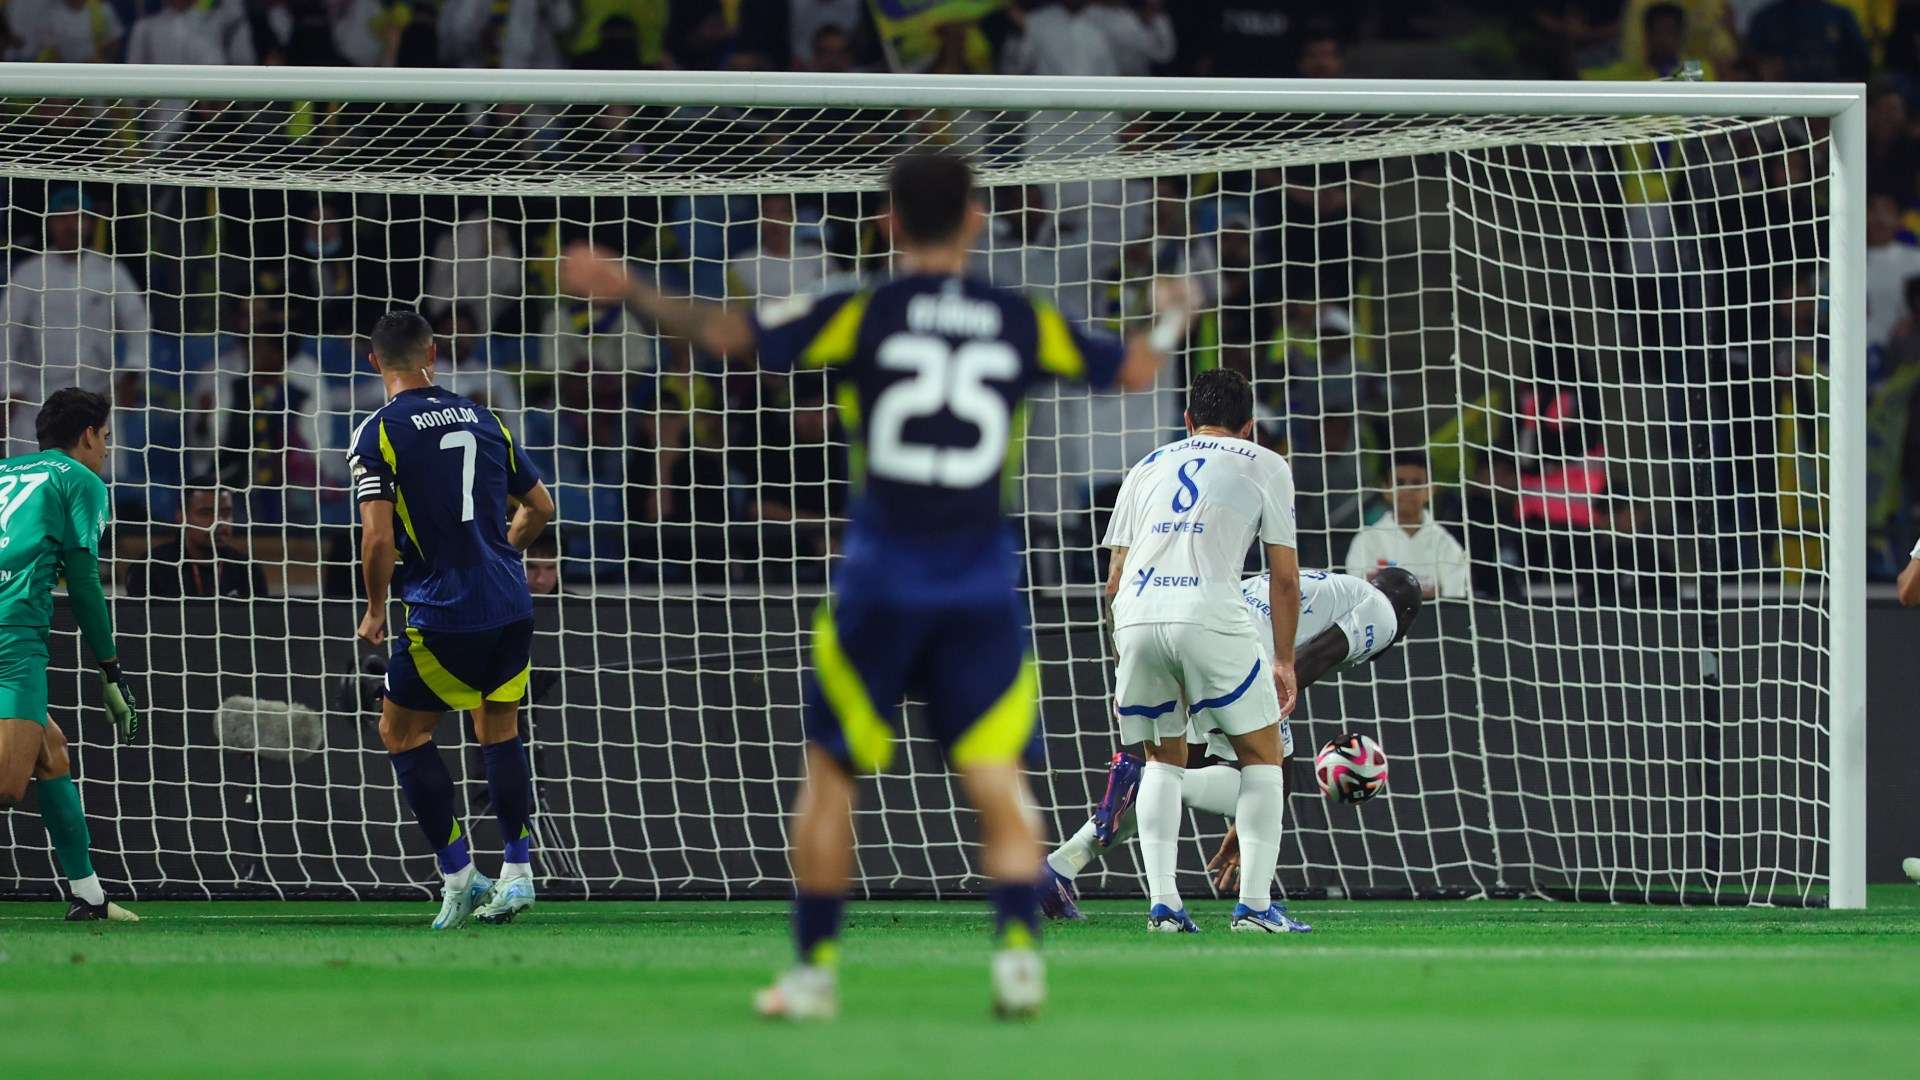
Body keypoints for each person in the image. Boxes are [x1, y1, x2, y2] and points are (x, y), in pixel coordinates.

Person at [558, 150, 1190, 1020]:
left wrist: (628, 283)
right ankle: (1016, 960)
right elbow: (1133, 373)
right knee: (997, 773)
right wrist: (1168, 321)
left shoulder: (861, 310)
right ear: (974, 219)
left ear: (886, 221)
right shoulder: (1019, 318)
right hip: (978, 583)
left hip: (878, 578)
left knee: (830, 776)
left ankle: (815, 976)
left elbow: (733, 339)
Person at [1040, 565, 1423, 918]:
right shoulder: (1383, 613)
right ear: (1406, 619)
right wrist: (1261, 803)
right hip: (1240, 650)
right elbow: (1308, 660)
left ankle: (1061, 866)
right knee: (1265, 780)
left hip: (1193, 626)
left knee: (1170, 772)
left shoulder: (1336, 586)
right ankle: (1256, 900)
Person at [349, 310, 556, 929]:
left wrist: (376, 607)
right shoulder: (485, 417)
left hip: (442, 609)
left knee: (402, 734)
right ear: (432, 354)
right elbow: (541, 507)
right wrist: (501, 552)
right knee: (499, 730)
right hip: (509, 604)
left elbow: (377, 540)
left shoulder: (377, 432)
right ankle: (518, 875)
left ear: (373, 362)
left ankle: (460, 875)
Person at [1101, 367, 1303, 934]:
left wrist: (1128, 642)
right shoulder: (1265, 462)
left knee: (1164, 760)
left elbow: (1114, 576)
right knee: (1264, 758)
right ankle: (1256, 909)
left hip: (1138, 615)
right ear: (1249, 427)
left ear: (1188, 421)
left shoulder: (1145, 467)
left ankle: (1164, 907)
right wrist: (1284, 659)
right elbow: (1283, 578)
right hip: (1209, 612)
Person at [0, 387, 141, 922]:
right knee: (8, 786)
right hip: (12, 638)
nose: (106, 449)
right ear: (87, 435)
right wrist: (111, 672)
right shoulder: (78, 480)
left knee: (51, 753)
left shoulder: (5, 471)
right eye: (105, 438)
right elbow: (83, 584)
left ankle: (89, 896)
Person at [0, 186, 150, 458]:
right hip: (37, 400)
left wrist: (133, 370)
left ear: (91, 222)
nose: (70, 225)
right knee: (36, 482)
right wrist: (9, 388)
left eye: (78, 217)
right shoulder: (29, 274)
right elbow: (5, 331)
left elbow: (138, 320)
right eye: (62, 218)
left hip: (96, 397)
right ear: (50, 223)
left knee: (99, 486)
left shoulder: (110, 272)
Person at [1343, 453, 1471, 600]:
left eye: (1416, 483)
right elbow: (1359, 597)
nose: (1408, 490)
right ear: (1385, 490)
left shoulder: (1447, 545)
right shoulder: (1366, 541)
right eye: (1400, 483)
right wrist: (1427, 593)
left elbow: (1453, 603)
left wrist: (1391, 591)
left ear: (1430, 490)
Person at [125, 483, 267, 600]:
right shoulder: (150, 568)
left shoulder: (248, 570)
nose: (219, 522)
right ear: (181, 518)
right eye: (206, 513)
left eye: (226, 513)